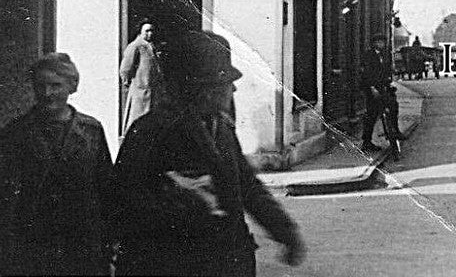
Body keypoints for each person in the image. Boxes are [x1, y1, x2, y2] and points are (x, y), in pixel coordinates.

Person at [112, 31, 304, 276]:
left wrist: (285, 232)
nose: (233, 89)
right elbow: (122, 197)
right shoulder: (152, 130)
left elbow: (248, 187)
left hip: (225, 259)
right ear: (201, 89)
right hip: (173, 262)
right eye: (225, 83)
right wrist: (188, 204)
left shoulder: (221, 128)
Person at [0, 53, 115, 276]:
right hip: (33, 245)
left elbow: (106, 188)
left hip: (82, 242)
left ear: (72, 86)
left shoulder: (91, 130)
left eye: (55, 85)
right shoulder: (16, 132)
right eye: (40, 86)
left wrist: (109, 243)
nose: (47, 94)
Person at [120, 20, 160, 134]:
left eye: (152, 31)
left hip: (151, 91)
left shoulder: (151, 47)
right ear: (140, 32)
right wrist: (127, 82)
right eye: (147, 31)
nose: (150, 34)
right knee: (137, 121)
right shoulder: (136, 46)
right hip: (140, 91)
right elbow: (125, 68)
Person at [360, 33, 392, 152]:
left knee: (391, 106)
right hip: (372, 90)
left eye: (383, 42)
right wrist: (372, 87)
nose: (382, 44)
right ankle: (366, 142)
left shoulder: (383, 55)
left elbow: (384, 72)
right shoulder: (369, 56)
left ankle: (394, 132)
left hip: (381, 88)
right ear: (374, 43)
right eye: (379, 42)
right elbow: (366, 73)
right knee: (371, 115)